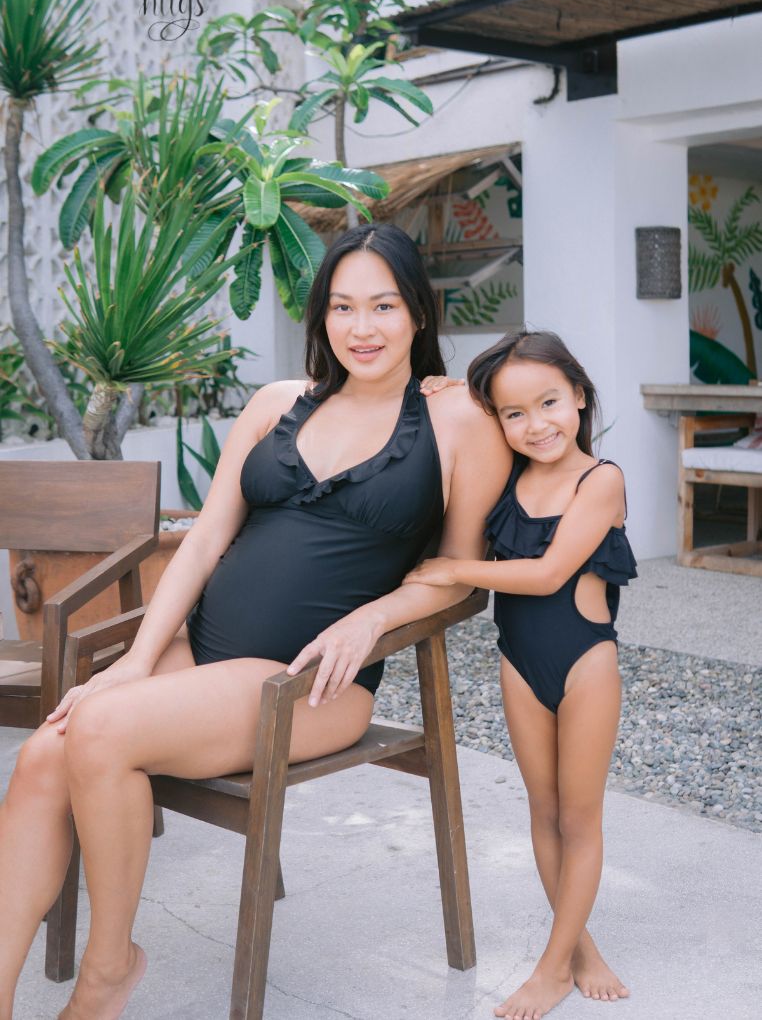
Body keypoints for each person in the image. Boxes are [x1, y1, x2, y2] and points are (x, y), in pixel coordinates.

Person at [0, 223, 510, 1020]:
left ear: (417, 312)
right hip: (203, 652)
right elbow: (205, 538)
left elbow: (457, 577)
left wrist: (370, 619)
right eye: (343, 307)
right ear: (321, 316)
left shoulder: (457, 424)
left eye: (383, 305)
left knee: (96, 734)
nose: (362, 327)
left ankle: (108, 974)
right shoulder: (277, 403)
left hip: (307, 686)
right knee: (41, 759)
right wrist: (137, 657)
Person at [410, 330, 637, 1020]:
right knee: (540, 813)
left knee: (578, 816)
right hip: (518, 663)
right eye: (514, 414)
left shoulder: (603, 480)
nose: (535, 424)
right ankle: (582, 949)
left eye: (549, 403)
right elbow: (466, 429)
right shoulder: (509, 478)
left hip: (585, 662)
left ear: (579, 398)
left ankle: (548, 969)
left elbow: (544, 575)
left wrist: (453, 568)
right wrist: (446, 391)